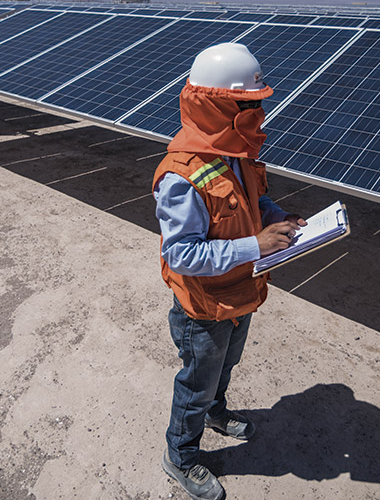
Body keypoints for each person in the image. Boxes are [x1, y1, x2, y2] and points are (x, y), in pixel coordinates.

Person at [153, 42, 306, 500]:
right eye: (247, 105)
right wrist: (254, 245)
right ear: (218, 107)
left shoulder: (236, 153)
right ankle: (180, 456)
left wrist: (277, 216)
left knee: (226, 367)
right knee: (196, 385)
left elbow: (254, 200)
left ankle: (217, 413)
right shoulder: (181, 177)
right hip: (204, 307)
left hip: (241, 293)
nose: (255, 115)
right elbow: (182, 255)